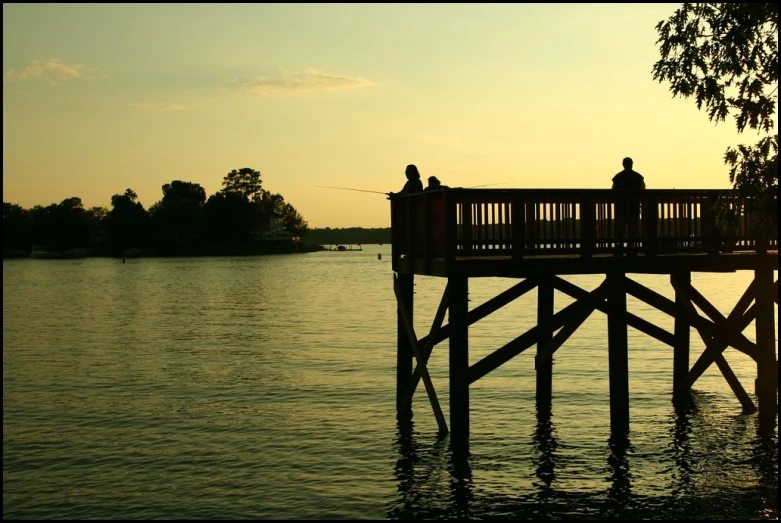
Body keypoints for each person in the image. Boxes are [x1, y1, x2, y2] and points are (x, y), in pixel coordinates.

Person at [612, 157, 646, 253]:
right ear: (632, 164)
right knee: (633, 228)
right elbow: (643, 191)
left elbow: (612, 191)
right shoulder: (638, 177)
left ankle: (619, 247)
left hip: (620, 207)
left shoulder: (618, 177)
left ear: (623, 164)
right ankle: (632, 248)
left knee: (620, 228)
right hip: (634, 207)